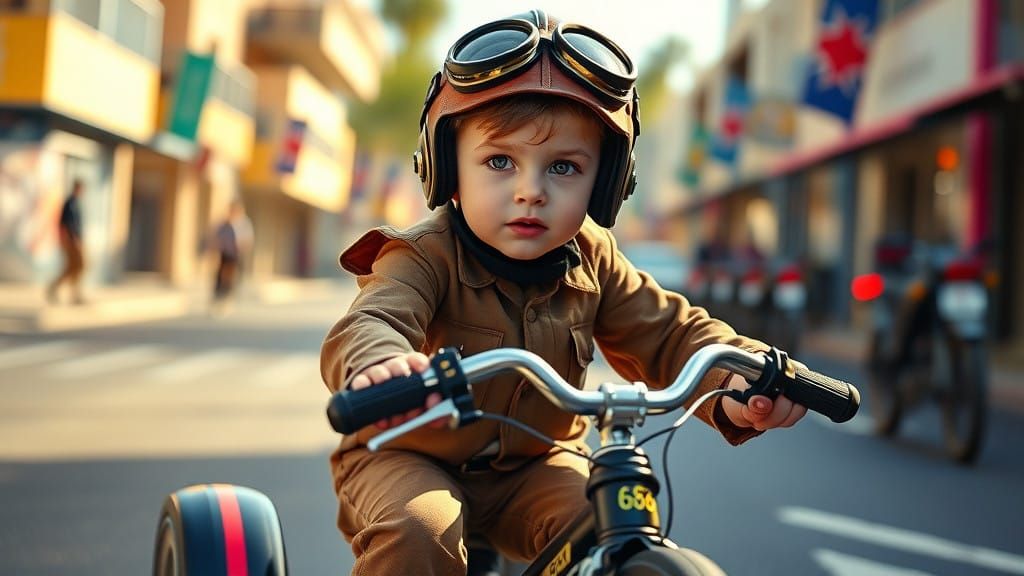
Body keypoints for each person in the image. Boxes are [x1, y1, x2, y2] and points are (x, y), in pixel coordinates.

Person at [320, 10, 808, 575]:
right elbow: (370, 321)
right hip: (405, 455)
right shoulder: (422, 252)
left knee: (612, 519)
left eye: (564, 167)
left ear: (606, 182)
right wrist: (381, 365)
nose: (531, 191)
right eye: (500, 161)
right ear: (447, 167)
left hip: (537, 467)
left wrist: (737, 375)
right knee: (418, 532)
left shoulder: (593, 254)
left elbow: (672, 333)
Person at [209, 198, 253, 311]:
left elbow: (248, 239)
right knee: (220, 275)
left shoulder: (244, 223)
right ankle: (218, 296)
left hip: (237, 254)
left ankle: (229, 296)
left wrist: (242, 245)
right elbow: (217, 237)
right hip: (225, 253)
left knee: (234, 276)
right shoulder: (225, 224)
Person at [47, 179, 85, 305]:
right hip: (71, 242)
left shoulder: (77, 203)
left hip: (76, 240)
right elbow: (65, 224)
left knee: (77, 267)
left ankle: (74, 294)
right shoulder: (70, 203)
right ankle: (56, 288)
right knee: (75, 266)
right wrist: (69, 240)